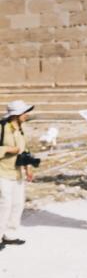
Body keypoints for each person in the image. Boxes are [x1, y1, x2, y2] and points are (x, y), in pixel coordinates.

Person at [0, 101, 35, 249]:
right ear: (16, 114)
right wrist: (8, 149)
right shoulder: (2, 128)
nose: (27, 115)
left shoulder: (21, 128)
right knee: (4, 205)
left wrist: (28, 167)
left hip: (17, 173)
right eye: (24, 112)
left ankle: (10, 234)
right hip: (3, 171)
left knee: (17, 204)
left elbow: (24, 149)